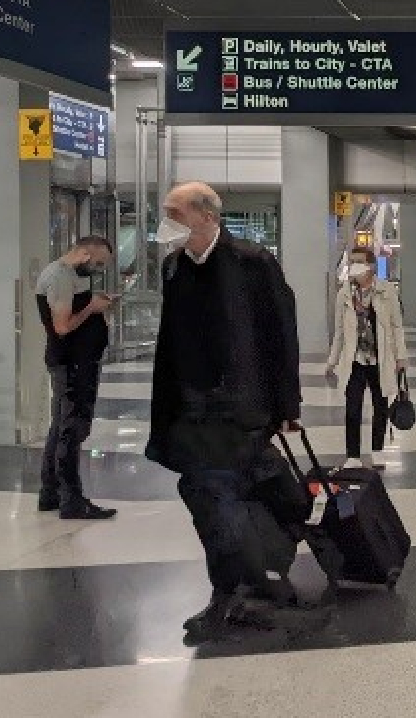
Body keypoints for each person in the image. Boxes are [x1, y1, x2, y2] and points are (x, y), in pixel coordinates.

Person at [144, 181, 302, 637]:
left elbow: (281, 336)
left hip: (240, 410)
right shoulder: (174, 268)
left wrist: (288, 405)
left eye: (176, 211)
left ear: (207, 216)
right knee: (212, 499)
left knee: (215, 498)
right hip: (189, 413)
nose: (167, 220)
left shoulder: (253, 263)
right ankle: (248, 584)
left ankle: (236, 591)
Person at [35, 236, 119, 519]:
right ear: (83, 253)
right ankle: (71, 499)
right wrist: (91, 309)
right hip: (72, 364)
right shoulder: (60, 277)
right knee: (71, 430)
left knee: (61, 427)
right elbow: (62, 326)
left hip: (74, 361)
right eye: (97, 263)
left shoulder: (69, 275)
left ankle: (52, 492)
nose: (97, 270)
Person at [326, 248, 408, 470]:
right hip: (355, 360)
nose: (355, 266)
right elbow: (340, 332)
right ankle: (352, 454)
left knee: (380, 405)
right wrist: (332, 362)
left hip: (380, 359)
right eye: (352, 262)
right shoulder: (344, 294)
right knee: (352, 408)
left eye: (359, 262)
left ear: (371, 266)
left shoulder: (387, 291)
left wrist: (401, 357)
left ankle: (378, 450)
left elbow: (396, 326)